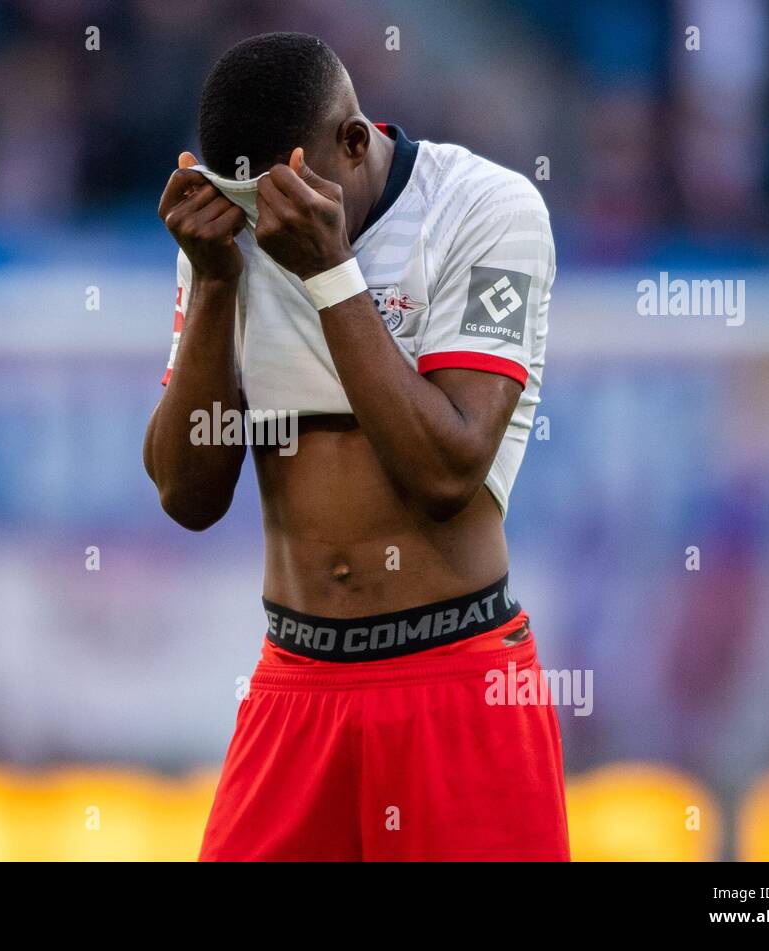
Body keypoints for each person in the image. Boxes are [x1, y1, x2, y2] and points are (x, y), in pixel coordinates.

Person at [143, 31, 568, 861]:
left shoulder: (490, 209)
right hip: (293, 688)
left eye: (284, 195)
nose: (268, 223)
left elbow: (448, 471)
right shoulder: (234, 230)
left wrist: (331, 272)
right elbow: (186, 495)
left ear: (353, 139)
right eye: (248, 199)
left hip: (458, 683)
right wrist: (216, 283)